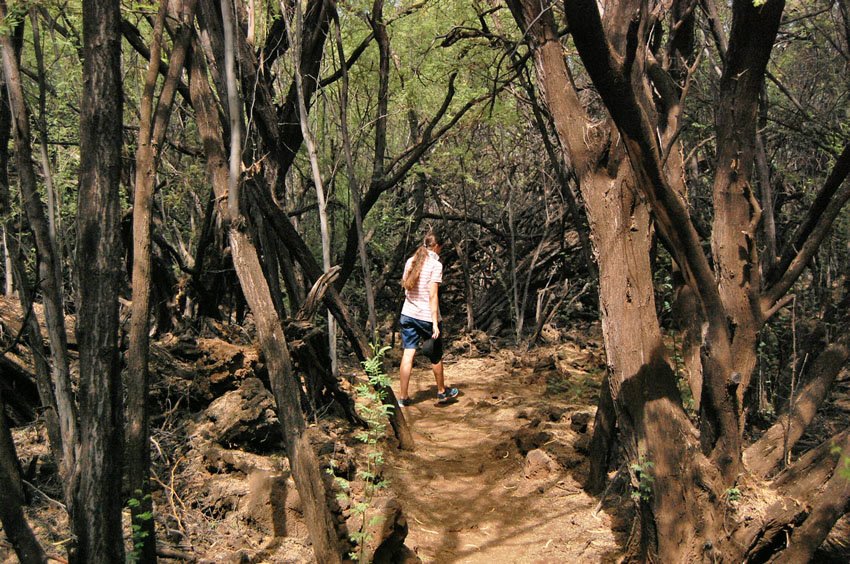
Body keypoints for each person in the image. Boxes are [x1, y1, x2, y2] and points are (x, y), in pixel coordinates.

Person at [397, 230, 459, 406]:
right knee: (435, 355)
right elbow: (433, 295)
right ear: (437, 246)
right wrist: (434, 323)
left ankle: (403, 397)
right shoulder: (435, 265)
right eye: (440, 248)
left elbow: (406, 287)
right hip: (426, 316)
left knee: (408, 353)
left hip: (408, 314)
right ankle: (441, 392)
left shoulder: (411, 261)